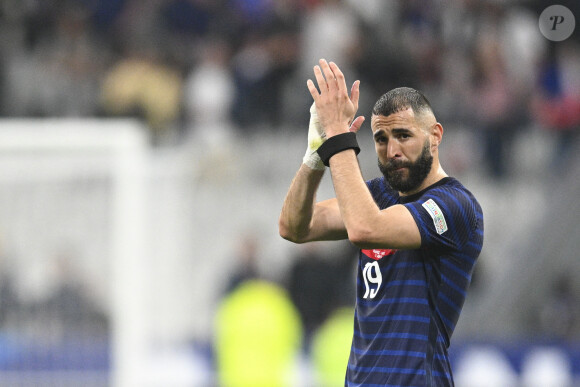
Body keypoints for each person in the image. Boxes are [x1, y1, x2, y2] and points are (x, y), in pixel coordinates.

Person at [279, 59, 484, 386]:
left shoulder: (455, 206)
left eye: (403, 135)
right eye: (381, 139)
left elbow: (364, 229)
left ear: (435, 136)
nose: (392, 150)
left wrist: (337, 137)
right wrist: (315, 156)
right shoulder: (379, 196)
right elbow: (294, 227)